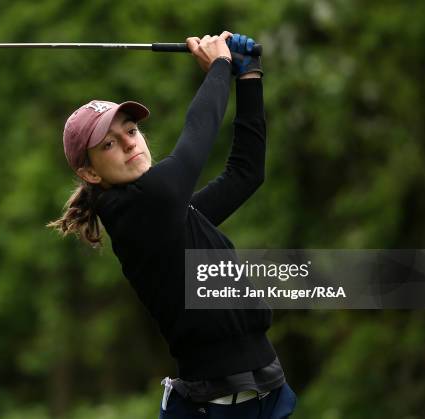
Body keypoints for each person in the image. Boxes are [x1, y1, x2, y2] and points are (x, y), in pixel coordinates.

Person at [48, 31, 297, 418]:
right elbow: (195, 139)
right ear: (90, 172)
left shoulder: (169, 212)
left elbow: (246, 173)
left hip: (265, 396)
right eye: (109, 144)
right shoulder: (138, 212)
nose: (131, 143)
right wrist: (219, 67)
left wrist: (249, 80)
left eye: (130, 131)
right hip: (216, 409)